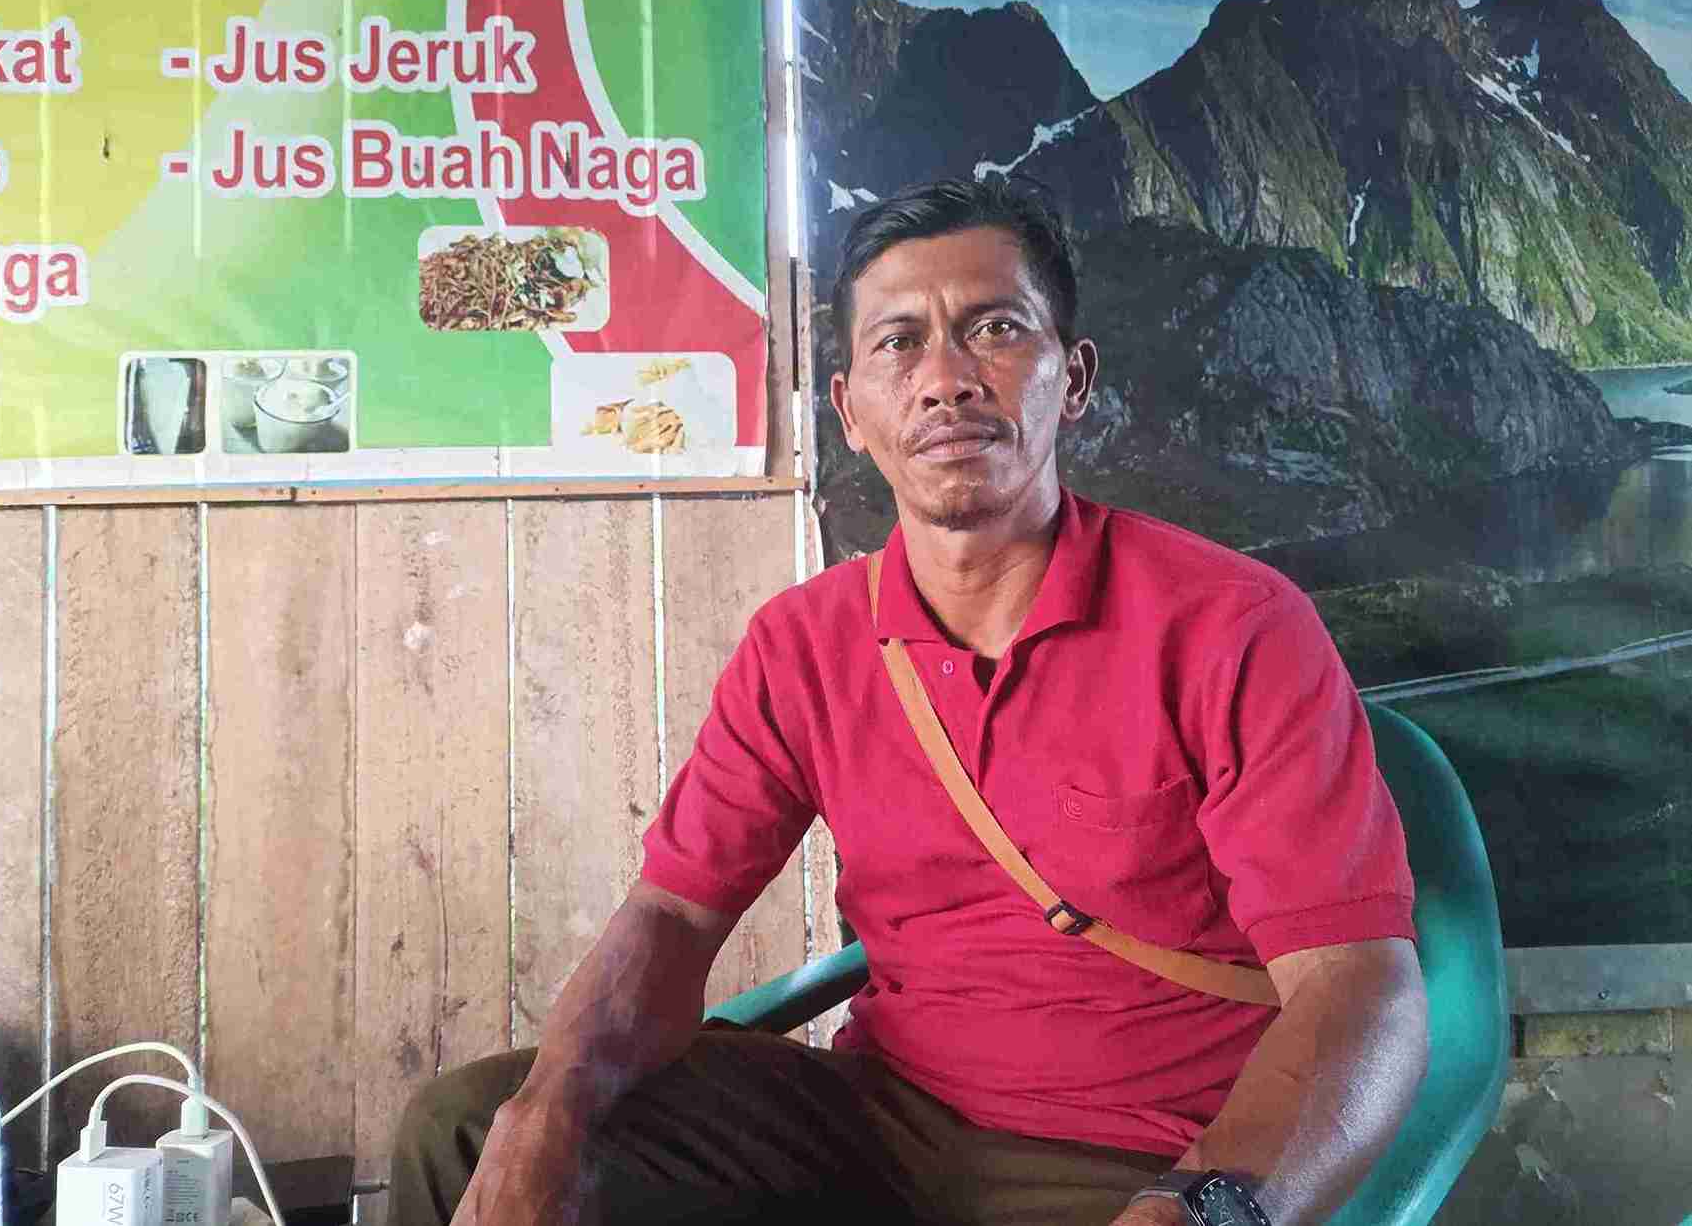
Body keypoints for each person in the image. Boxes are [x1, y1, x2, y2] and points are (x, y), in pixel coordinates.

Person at [389, 177, 1429, 1226]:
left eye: (995, 329)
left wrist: (1199, 1210)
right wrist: (546, 1112)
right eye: (898, 343)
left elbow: (1359, 989)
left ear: (1072, 378)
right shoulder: (803, 644)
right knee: (464, 1130)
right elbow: (670, 912)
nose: (945, 381)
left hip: (1132, 1152)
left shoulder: (1232, 626)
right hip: (881, 1117)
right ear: (851, 411)